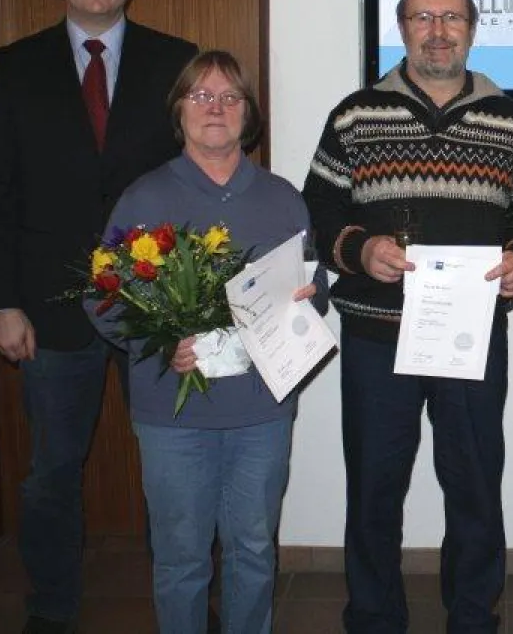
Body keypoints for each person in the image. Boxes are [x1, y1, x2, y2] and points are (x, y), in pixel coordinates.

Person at [302, 0, 513, 633]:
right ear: (402, 28)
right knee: (373, 490)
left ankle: (473, 617)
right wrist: (359, 249)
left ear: (472, 28)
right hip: (376, 338)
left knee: (475, 486)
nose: (438, 32)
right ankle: (374, 618)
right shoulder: (354, 116)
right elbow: (317, 208)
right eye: (422, 18)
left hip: (471, 337)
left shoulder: (511, 120)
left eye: (451, 18)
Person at [0, 0, 197, 634]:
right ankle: (52, 604)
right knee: (52, 470)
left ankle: (183, 602)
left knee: (173, 466)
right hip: (50, 307)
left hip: (157, 302)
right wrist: (0, 302)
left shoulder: (177, 61)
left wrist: (200, 297)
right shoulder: (17, 65)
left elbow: (199, 179)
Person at [87, 51, 322, 634]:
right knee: (180, 559)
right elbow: (103, 296)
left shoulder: (282, 198)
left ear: (248, 114)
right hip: (173, 415)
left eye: (229, 97)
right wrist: (158, 343)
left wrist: (306, 301)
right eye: (200, 95)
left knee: (254, 551)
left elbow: (314, 292)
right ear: (179, 111)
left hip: (261, 411)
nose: (215, 108)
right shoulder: (143, 198)